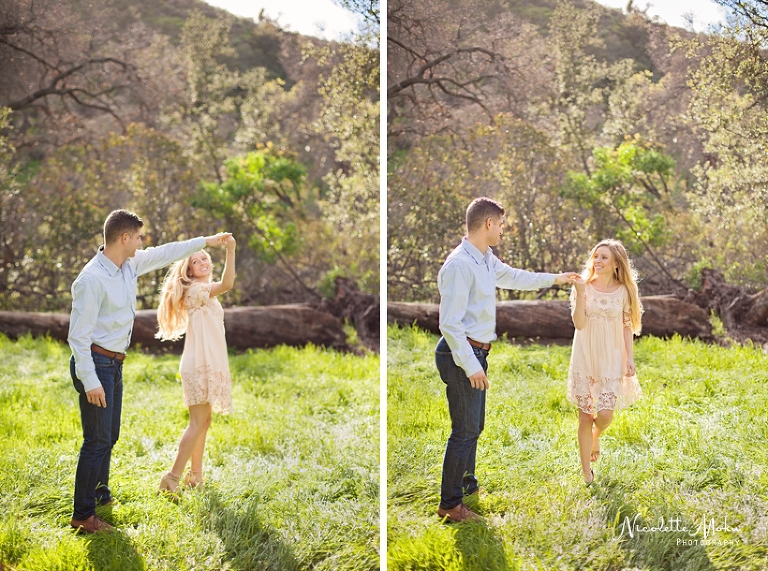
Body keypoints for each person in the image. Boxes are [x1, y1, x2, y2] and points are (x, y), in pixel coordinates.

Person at [68, 209, 231, 534]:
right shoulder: (91, 280)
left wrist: (206, 241)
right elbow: (78, 337)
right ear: (125, 238)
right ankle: (83, 515)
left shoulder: (128, 265)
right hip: (96, 364)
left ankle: (100, 495)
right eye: (139, 237)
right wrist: (90, 381)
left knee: (109, 436)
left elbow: (167, 252)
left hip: (114, 362)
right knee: (96, 440)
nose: (142, 243)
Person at [435, 197, 581, 523]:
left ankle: (467, 485)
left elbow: (516, 278)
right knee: (465, 430)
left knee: (475, 427)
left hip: (477, 351)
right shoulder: (459, 266)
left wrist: (556, 279)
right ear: (488, 224)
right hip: (462, 354)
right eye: (500, 224)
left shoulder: (485, 259)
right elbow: (450, 324)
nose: (502, 229)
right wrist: (471, 366)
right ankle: (450, 505)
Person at [155, 235, 236, 495]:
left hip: (206, 361)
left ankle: (196, 476)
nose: (202, 262)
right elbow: (228, 283)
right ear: (188, 271)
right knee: (197, 422)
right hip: (199, 363)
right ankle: (171, 477)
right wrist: (231, 251)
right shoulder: (196, 291)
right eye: (196, 260)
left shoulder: (203, 292)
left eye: (205, 258)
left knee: (204, 420)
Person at [567, 239, 643, 486]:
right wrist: (579, 294)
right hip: (585, 355)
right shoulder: (584, 286)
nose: (597, 261)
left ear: (616, 264)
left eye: (604, 258)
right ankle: (586, 473)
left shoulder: (624, 291)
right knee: (584, 416)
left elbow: (626, 325)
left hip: (611, 355)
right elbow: (578, 324)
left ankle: (596, 436)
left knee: (605, 415)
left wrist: (629, 358)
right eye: (596, 256)